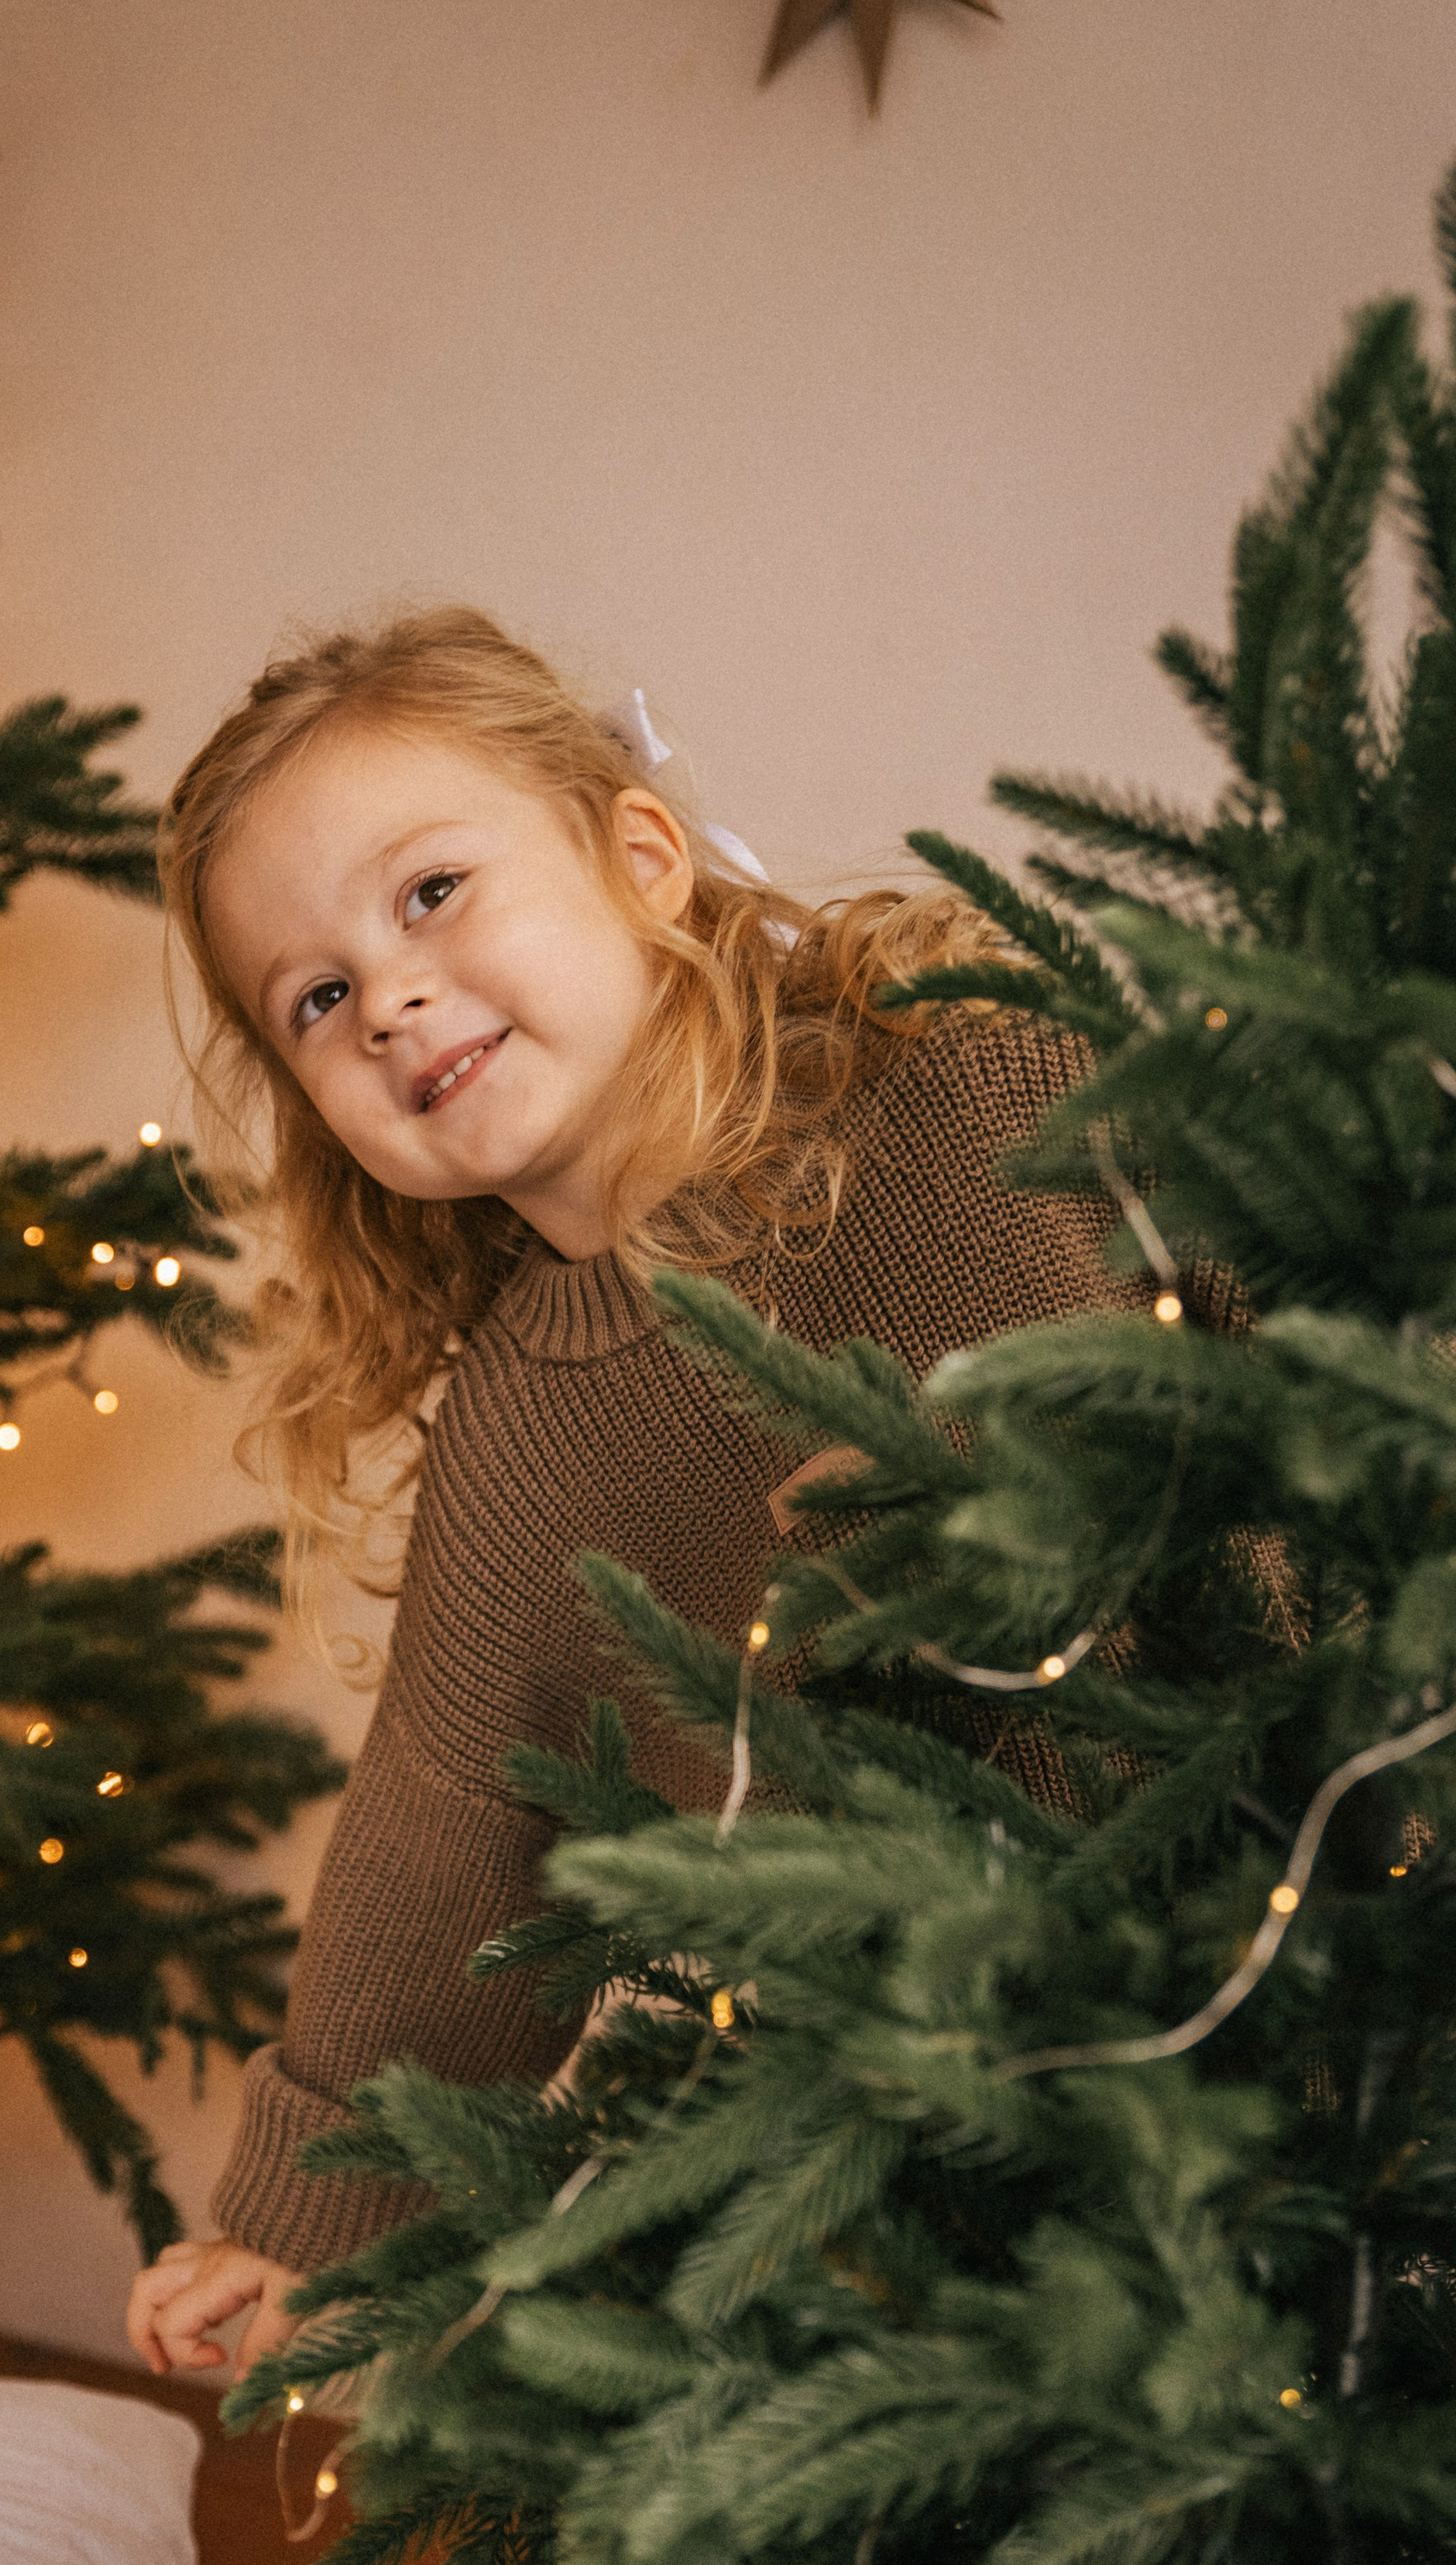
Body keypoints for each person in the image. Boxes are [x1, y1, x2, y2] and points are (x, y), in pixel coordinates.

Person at [125, 605, 1128, 2382]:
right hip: (942, 2184)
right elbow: (444, 1850)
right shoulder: (521, 1438)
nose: (392, 997)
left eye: (428, 892)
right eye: (318, 997)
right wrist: (302, 2230)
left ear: (639, 859)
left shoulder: (979, 1085)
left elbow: (1319, 1326)